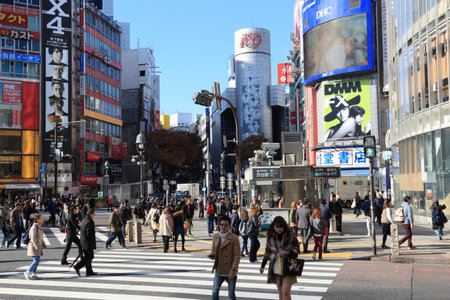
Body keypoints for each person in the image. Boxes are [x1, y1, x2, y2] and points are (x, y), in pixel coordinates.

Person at [259, 216, 300, 300]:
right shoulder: (270, 238)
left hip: (289, 266)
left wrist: (286, 252)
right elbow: (267, 252)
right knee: (281, 293)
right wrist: (262, 266)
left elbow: (297, 249)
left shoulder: (290, 235)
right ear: (273, 227)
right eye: (277, 227)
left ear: (284, 226)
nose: (279, 229)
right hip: (276, 267)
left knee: (285, 291)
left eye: (280, 227)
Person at [209, 216, 240, 300]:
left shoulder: (234, 238)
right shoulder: (215, 236)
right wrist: (212, 255)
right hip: (219, 270)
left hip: (230, 270)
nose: (223, 227)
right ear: (219, 225)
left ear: (230, 226)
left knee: (231, 294)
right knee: (214, 292)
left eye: (226, 225)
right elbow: (213, 251)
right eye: (221, 225)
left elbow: (237, 256)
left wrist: (233, 270)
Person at [74, 208, 97, 276]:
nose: (94, 216)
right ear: (91, 214)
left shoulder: (84, 219)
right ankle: (78, 266)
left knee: (88, 256)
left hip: (83, 241)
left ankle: (89, 271)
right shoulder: (90, 221)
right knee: (90, 256)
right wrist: (91, 242)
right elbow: (89, 233)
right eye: (94, 214)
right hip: (88, 242)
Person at [24, 214, 47, 280]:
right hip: (33, 247)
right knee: (36, 260)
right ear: (37, 220)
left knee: (37, 260)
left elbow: (41, 238)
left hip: (38, 247)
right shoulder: (34, 227)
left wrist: (43, 244)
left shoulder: (39, 227)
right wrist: (37, 246)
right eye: (41, 219)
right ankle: (28, 272)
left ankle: (33, 274)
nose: (42, 220)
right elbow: (33, 238)